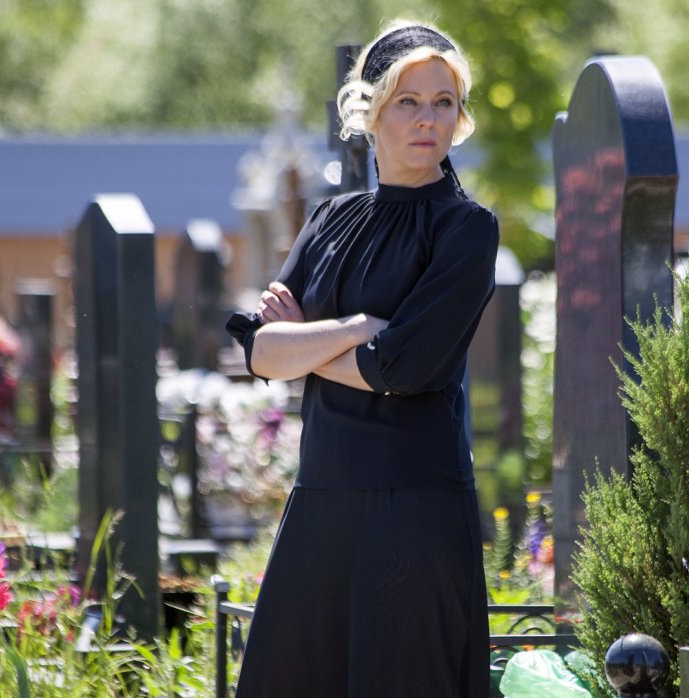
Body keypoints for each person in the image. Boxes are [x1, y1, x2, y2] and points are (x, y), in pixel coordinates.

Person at [224, 20, 497, 698]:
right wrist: (354, 330)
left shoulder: (466, 228)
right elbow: (261, 352)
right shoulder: (328, 221)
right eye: (409, 101)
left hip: (414, 510)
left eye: (443, 102)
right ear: (370, 113)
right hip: (321, 499)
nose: (428, 118)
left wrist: (307, 344)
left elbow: (401, 370)